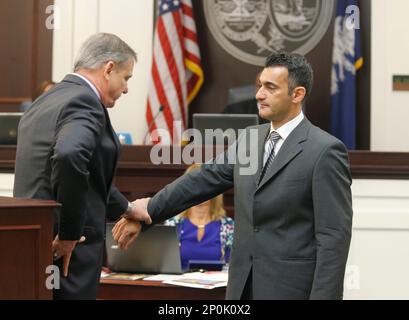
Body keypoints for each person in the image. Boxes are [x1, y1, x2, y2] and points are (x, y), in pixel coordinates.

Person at [114, 52, 353, 300]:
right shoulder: (249, 139)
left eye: (270, 88)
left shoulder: (325, 151)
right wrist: (150, 209)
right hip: (241, 289)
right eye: (260, 85)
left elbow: (333, 238)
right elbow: (202, 179)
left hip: (290, 291)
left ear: (297, 94)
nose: (259, 94)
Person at [13, 33, 151, 300]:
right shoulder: (85, 101)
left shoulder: (45, 101)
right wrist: (69, 233)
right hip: (66, 253)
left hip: (33, 241)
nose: (126, 89)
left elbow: (84, 173)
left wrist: (127, 208)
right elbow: (69, 156)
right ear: (109, 68)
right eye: (126, 78)